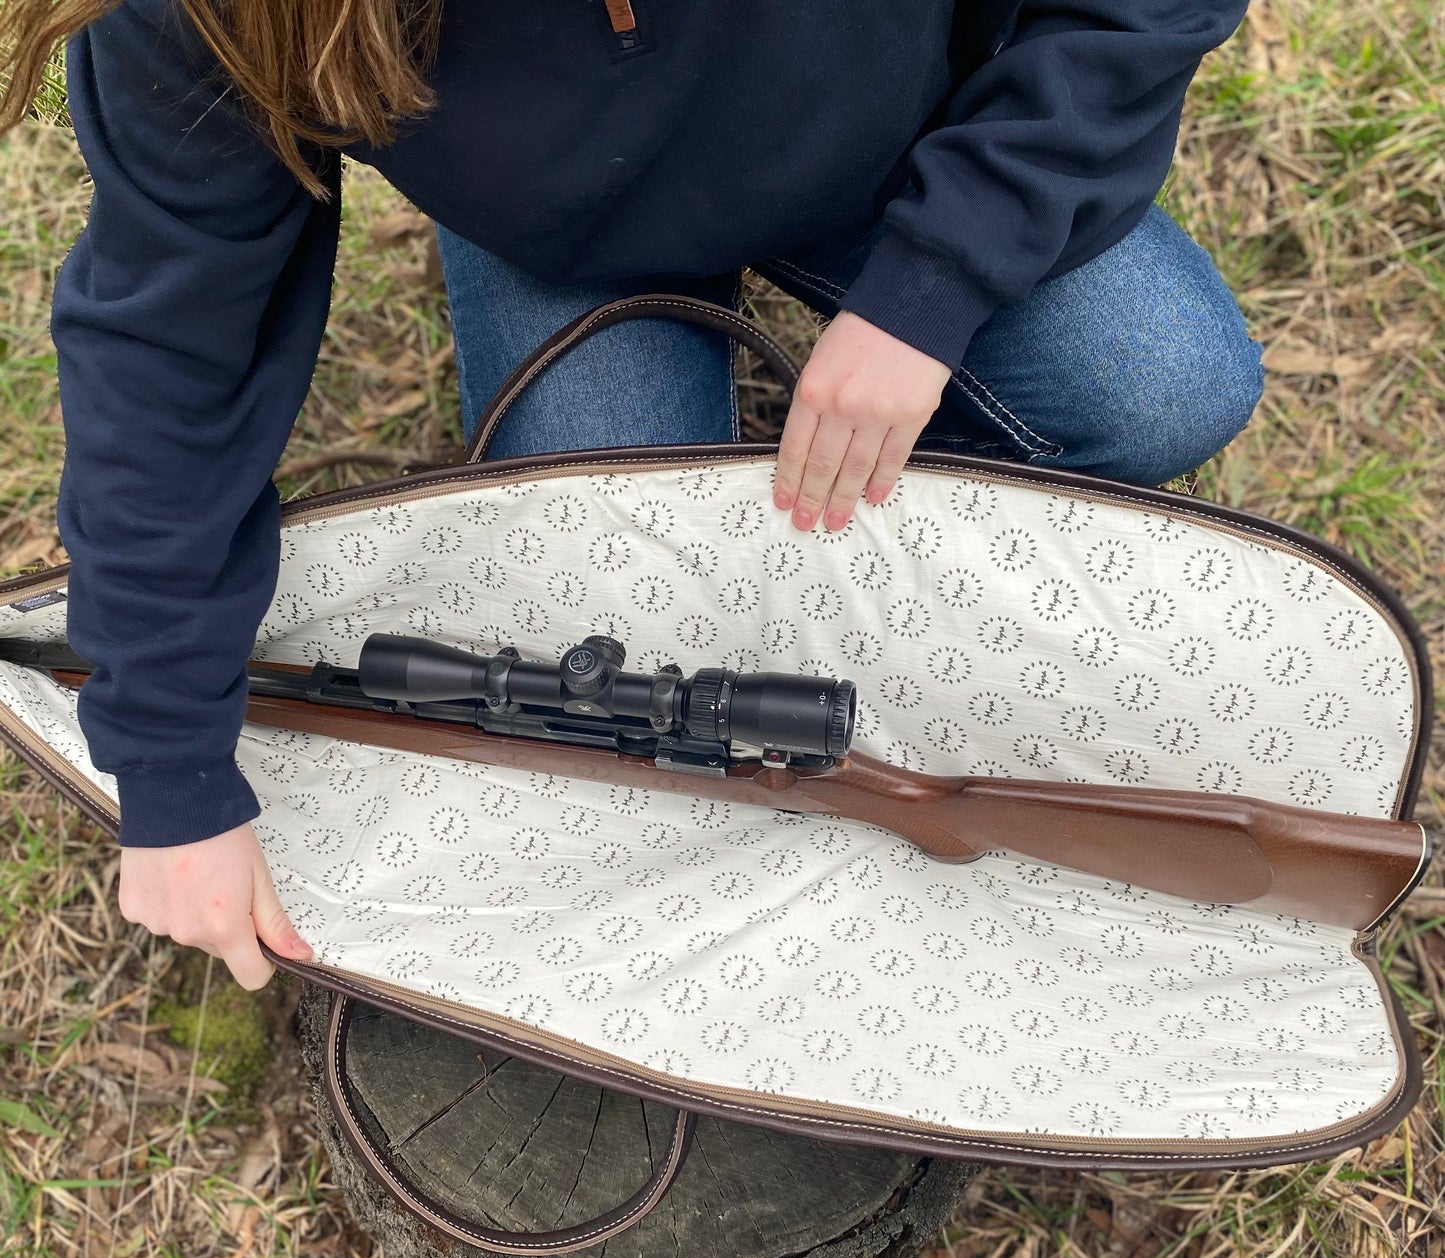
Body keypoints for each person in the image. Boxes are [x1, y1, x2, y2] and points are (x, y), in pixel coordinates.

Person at [0, 0, 1262, 993]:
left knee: (1160, 387)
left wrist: (936, 281)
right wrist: (167, 762)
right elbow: (173, 338)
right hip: (561, 229)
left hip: (908, 147)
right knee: (626, 619)